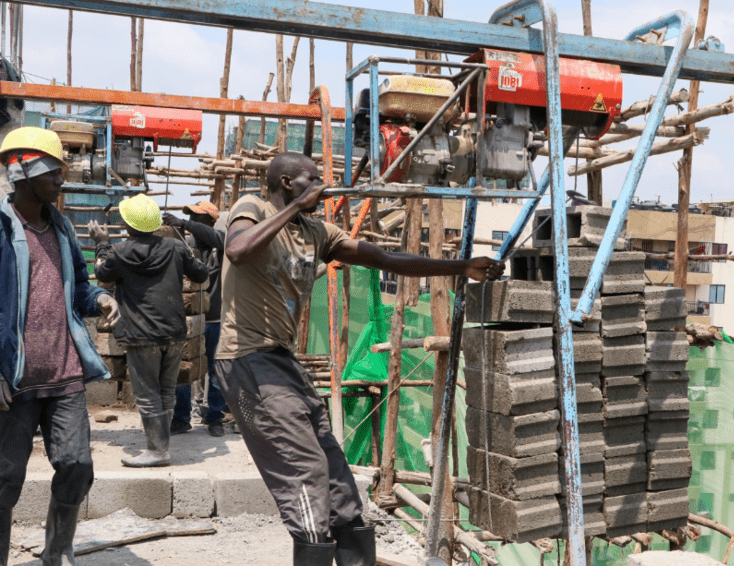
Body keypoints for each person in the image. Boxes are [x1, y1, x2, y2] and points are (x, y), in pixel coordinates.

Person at [216, 151, 504, 566]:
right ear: (285, 183)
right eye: (311, 179)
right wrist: (297, 207)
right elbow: (238, 250)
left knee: (338, 480)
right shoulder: (252, 208)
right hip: (246, 358)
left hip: (281, 360)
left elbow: (386, 259)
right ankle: (313, 548)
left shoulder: (317, 232)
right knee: (306, 472)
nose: (321, 186)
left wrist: (461, 266)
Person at [0, 127, 121, 566]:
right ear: (26, 173)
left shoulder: (63, 228)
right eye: (53, 173)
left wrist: (101, 299)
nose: (61, 181)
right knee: (4, 478)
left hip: (64, 372)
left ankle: (57, 553)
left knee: (76, 465)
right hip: (13, 378)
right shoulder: (0, 228)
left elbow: (80, 290)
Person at [89, 194, 208, 467]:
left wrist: (102, 244)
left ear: (127, 225)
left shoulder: (120, 251)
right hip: (175, 333)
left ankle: (157, 451)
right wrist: (189, 253)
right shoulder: (176, 248)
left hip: (141, 335)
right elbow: (200, 274)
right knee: (166, 390)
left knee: (147, 394)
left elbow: (104, 275)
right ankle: (161, 446)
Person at [163, 201, 227, 437]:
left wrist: (184, 223)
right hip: (187, 321)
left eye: (197, 219)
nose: (192, 224)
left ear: (210, 222)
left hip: (214, 320)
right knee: (184, 369)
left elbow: (219, 238)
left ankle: (215, 417)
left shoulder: (221, 246)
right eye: (190, 219)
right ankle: (181, 417)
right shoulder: (186, 245)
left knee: (216, 370)